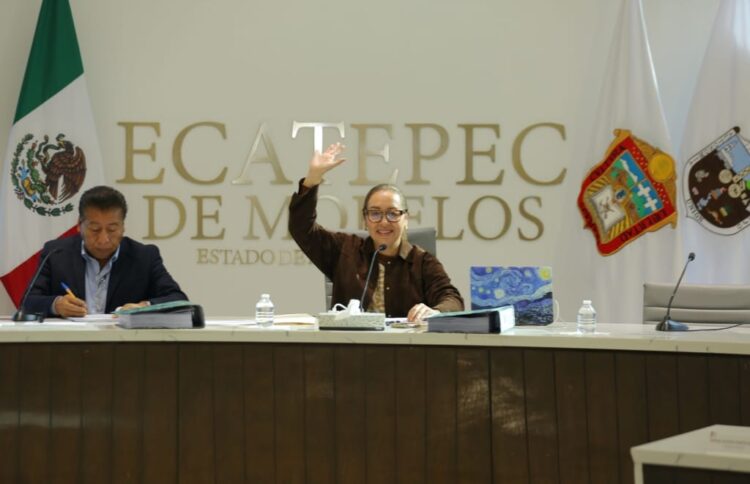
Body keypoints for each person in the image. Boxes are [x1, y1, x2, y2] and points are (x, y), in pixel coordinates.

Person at [289, 142, 464, 321]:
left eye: (393, 213)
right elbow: (301, 228)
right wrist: (313, 178)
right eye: (375, 213)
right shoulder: (345, 250)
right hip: (350, 338)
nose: (384, 222)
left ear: (406, 219)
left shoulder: (423, 263)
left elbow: (452, 299)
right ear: (365, 219)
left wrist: (435, 311)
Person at [24, 185, 188, 317]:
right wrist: (56, 305)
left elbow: (179, 301)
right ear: (79, 225)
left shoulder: (144, 256)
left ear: (123, 227)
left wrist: (144, 307)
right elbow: (27, 302)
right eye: (95, 229)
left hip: (123, 345)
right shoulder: (56, 253)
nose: (103, 239)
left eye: (112, 229)